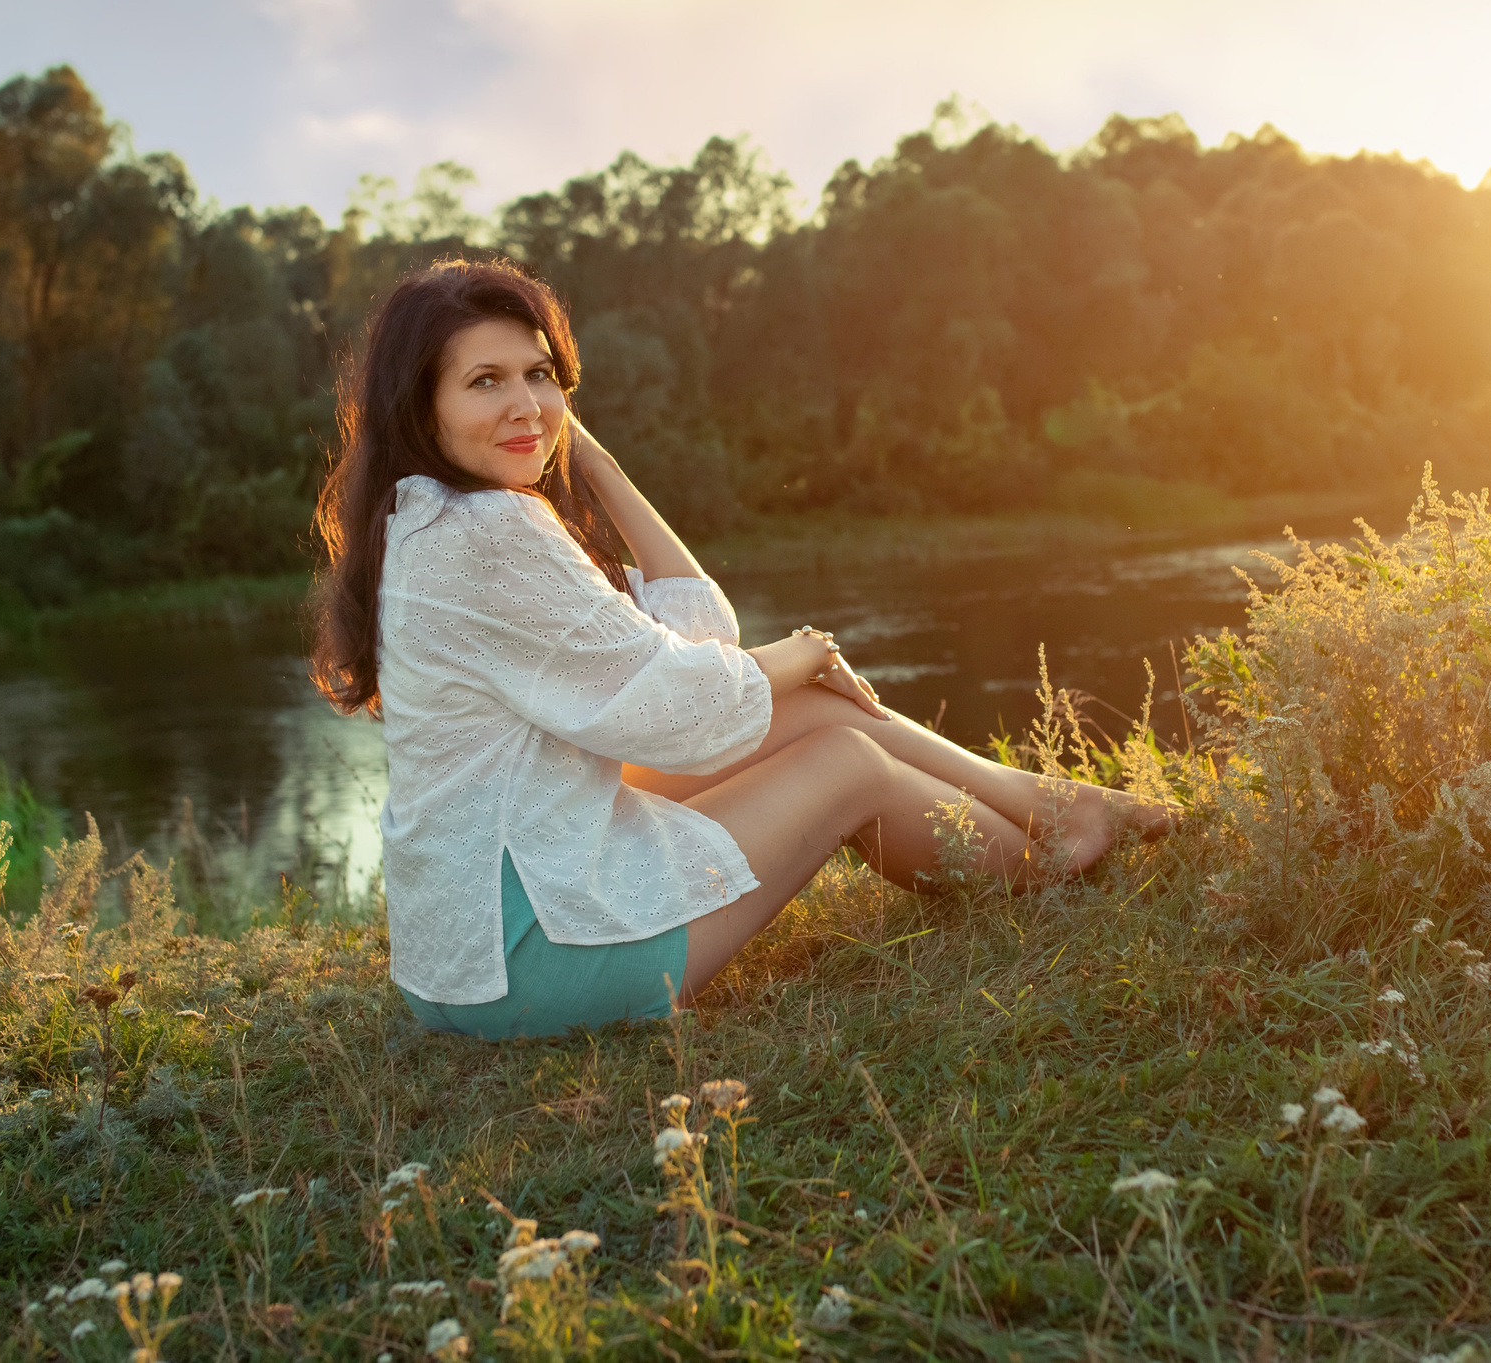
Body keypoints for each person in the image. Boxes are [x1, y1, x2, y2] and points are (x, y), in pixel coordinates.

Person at [311, 258, 1176, 1040]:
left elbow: (699, 638)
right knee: (847, 762)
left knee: (808, 705)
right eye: (484, 381)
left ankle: (1047, 803)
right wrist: (799, 650)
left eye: (541, 375)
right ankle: (1047, 859)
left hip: (463, 951)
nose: (526, 404)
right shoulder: (489, 533)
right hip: (534, 956)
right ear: (420, 405)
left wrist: (594, 464)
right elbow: (679, 698)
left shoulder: (424, 518)